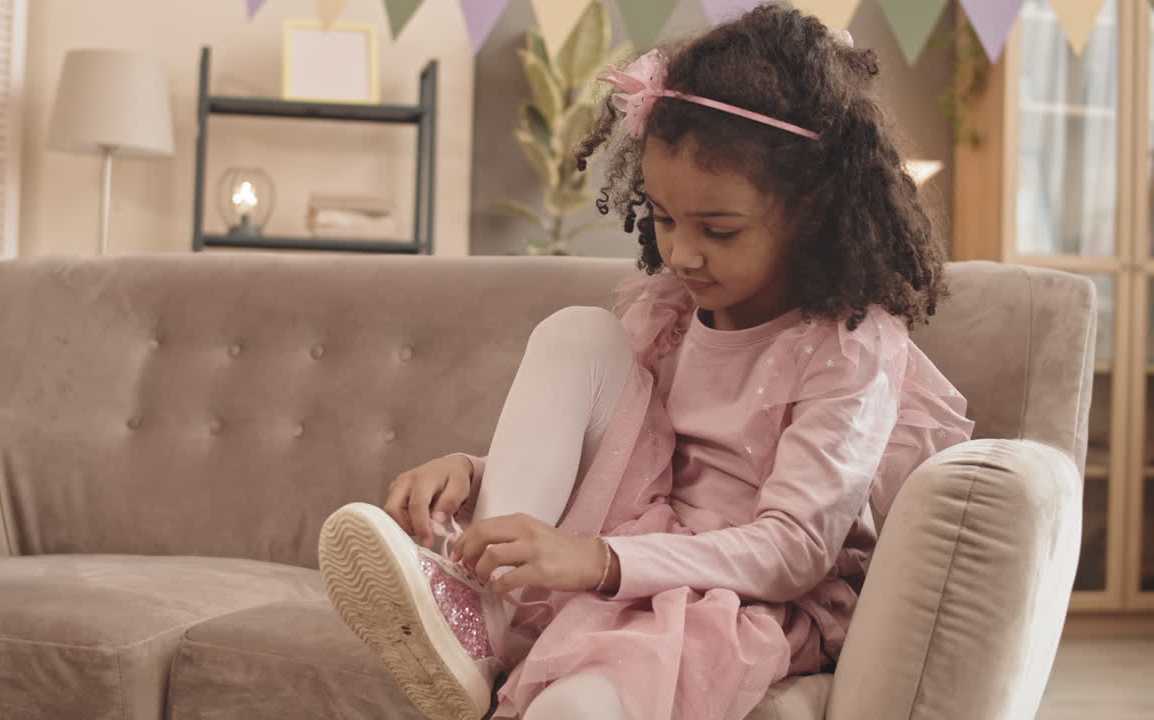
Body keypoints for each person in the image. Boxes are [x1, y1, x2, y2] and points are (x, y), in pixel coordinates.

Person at [318, 5, 975, 720]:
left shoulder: (845, 349)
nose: (681, 253)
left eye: (717, 229)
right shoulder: (670, 310)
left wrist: (599, 561)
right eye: (663, 218)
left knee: (571, 709)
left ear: (812, 211)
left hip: (736, 595)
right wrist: (474, 479)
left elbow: (794, 550)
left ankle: (500, 626)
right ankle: (479, 608)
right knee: (577, 334)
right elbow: (616, 445)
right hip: (623, 544)